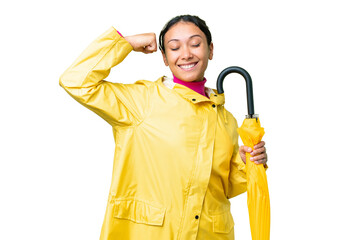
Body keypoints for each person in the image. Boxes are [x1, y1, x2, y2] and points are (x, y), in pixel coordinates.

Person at [60, 15, 268, 240]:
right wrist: (126, 43)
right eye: (175, 47)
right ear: (165, 57)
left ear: (210, 50)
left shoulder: (226, 119)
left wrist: (245, 165)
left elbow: (224, 189)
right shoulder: (141, 102)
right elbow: (76, 81)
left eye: (196, 44)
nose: (186, 54)